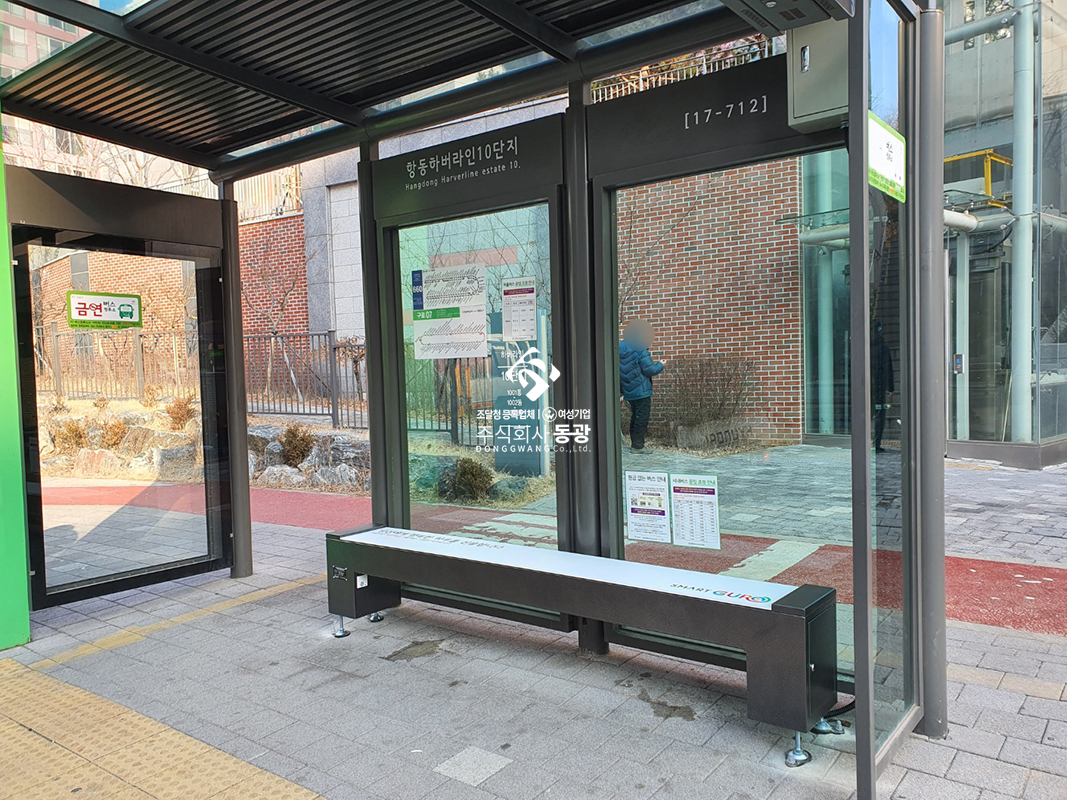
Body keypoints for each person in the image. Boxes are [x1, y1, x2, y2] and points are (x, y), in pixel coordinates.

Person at [619, 320, 665, 454]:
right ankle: (638, 446)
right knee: (642, 418)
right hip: (642, 390)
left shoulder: (620, 348)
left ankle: (635, 444)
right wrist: (661, 364)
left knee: (635, 417)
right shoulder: (640, 349)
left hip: (628, 390)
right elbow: (650, 370)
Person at [871, 320, 895, 453]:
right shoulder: (882, 347)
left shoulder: (864, 346)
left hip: (866, 385)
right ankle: (876, 443)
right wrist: (891, 388)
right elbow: (888, 368)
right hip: (879, 386)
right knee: (879, 415)